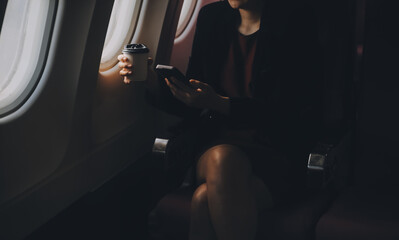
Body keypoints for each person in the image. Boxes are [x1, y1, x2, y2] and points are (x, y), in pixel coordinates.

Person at [119, 0, 323, 239]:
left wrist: (220, 103)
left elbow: (290, 111)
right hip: (215, 145)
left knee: (204, 200)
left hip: (275, 150)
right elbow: (194, 97)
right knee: (224, 158)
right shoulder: (211, 18)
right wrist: (155, 82)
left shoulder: (296, 20)